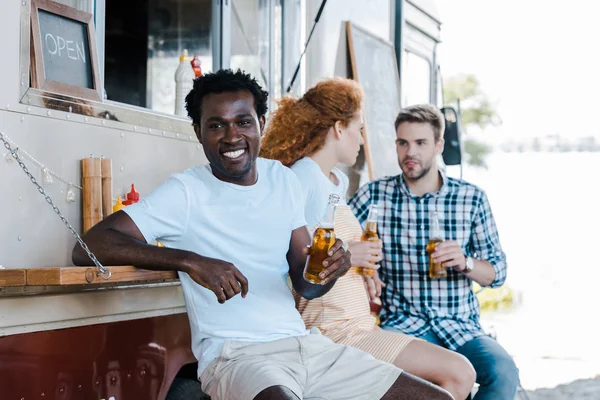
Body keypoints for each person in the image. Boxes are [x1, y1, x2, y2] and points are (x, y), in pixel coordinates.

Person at [72, 69, 452, 400]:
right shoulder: (185, 191)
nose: (231, 136)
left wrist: (330, 269)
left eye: (243, 121)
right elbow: (90, 245)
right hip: (237, 355)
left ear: (261, 123)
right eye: (216, 125)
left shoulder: (281, 180)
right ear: (198, 132)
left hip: (306, 346)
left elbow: (306, 285)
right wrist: (190, 261)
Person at [261, 77, 475, 400]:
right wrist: (351, 253)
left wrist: (364, 269)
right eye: (358, 128)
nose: (363, 139)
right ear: (336, 128)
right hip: (332, 328)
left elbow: (331, 247)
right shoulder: (302, 175)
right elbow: (281, 254)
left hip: (360, 324)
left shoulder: (333, 182)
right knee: (459, 374)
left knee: (456, 377)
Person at [348, 103, 520, 399]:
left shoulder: (471, 198)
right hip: (403, 324)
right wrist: (361, 257)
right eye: (403, 143)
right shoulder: (374, 194)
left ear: (439, 145)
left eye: (420, 143)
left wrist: (465, 262)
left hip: (461, 325)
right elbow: (337, 240)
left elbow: (497, 273)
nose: (410, 152)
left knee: (503, 371)